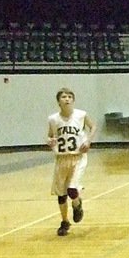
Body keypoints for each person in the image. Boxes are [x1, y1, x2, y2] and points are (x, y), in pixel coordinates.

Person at [46, 88, 96, 236]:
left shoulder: (81, 115)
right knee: (61, 194)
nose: (67, 99)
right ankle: (64, 221)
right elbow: (49, 136)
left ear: (73, 100)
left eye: (69, 97)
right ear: (58, 102)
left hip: (78, 157)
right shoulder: (53, 119)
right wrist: (50, 141)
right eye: (63, 97)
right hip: (61, 158)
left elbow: (93, 126)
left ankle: (77, 203)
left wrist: (88, 140)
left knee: (72, 189)